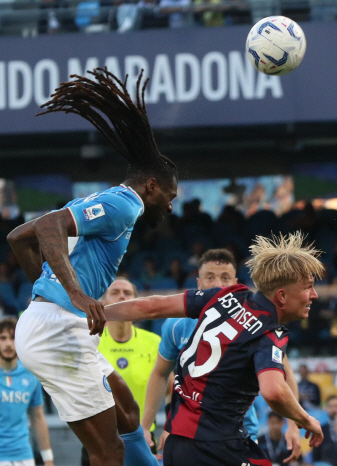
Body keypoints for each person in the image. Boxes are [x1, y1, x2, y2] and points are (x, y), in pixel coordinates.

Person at [8, 68, 178, 466]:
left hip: (52, 324)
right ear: (151, 185)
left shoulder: (117, 204)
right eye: (169, 195)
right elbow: (50, 226)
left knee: (129, 416)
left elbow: (19, 237)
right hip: (58, 331)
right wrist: (73, 295)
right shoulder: (126, 204)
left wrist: (49, 287)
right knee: (108, 452)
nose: (170, 206)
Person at [103, 232, 324, 466]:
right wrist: (306, 420)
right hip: (219, 447)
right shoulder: (269, 333)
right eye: (308, 287)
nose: (314, 295)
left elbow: (152, 306)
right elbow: (274, 391)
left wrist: (97, 313)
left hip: (179, 442)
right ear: (281, 296)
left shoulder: (224, 296)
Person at [139, 249, 264, 453]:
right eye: (210, 277)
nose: (217, 285)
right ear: (198, 284)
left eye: (225, 278)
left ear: (236, 284)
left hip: (240, 434)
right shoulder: (176, 325)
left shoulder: (253, 325)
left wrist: (293, 425)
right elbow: (161, 374)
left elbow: (282, 374)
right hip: (188, 435)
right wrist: (145, 426)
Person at [80, 277, 162, 465]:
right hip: (97, 442)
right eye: (115, 292)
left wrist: (156, 427)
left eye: (128, 293)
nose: (122, 297)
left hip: (143, 438)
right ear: (103, 303)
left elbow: (169, 389)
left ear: (136, 300)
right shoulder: (91, 340)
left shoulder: (154, 342)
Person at [0, 317, 54, 466]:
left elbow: (38, 417)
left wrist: (48, 459)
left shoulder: (30, 376)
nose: (8, 344)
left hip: (23, 455)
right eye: (3, 338)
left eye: (13, 338)